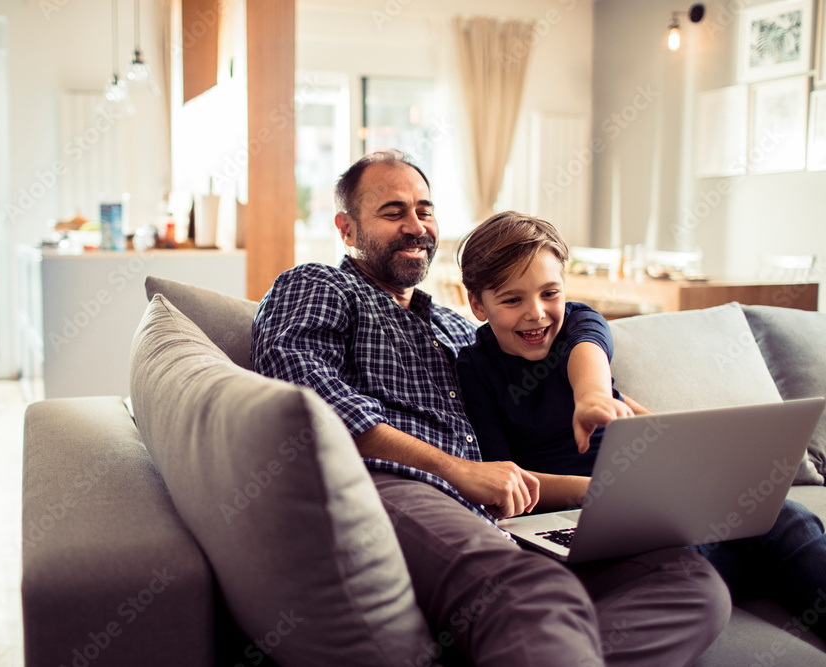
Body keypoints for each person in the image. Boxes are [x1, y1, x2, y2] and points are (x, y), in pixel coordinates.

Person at [251, 150, 730, 666]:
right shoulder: (319, 285)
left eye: (425, 210)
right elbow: (313, 402)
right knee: (533, 593)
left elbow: (574, 349)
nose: (416, 226)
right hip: (404, 486)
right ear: (347, 228)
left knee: (693, 585)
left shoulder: (460, 332)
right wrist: (459, 472)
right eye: (393, 212)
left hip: (508, 516)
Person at [455, 209, 826, 642]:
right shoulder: (475, 369)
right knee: (686, 559)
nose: (537, 314)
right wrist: (597, 493)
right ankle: (759, 571)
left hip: (652, 497)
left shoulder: (579, 322)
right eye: (512, 300)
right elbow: (506, 479)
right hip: (582, 517)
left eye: (549, 293)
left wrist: (594, 397)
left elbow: (589, 355)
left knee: (789, 517)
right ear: (478, 304)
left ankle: (773, 571)